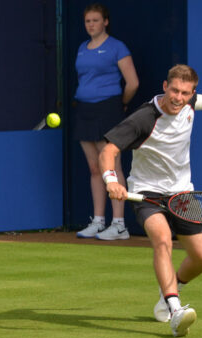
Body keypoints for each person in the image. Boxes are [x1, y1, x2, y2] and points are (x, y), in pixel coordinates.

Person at [99, 65, 202, 337]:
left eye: (185, 93)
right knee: (162, 240)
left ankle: (168, 293)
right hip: (147, 193)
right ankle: (175, 311)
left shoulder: (190, 103)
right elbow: (108, 149)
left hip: (183, 194)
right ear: (165, 86)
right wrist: (111, 180)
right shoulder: (144, 118)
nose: (178, 97)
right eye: (174, 90)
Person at [74, 3, 139, 241]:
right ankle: (98, 221)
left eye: (95, 20)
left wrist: (120, 103)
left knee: (111, 167)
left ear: (105, 22)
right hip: (84, 110)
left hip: (109, 109)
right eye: (87, 21)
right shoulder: (82, 48)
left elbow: (132, 83)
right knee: (94, 168)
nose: (91, 25)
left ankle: (119, 224)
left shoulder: (117, 47)